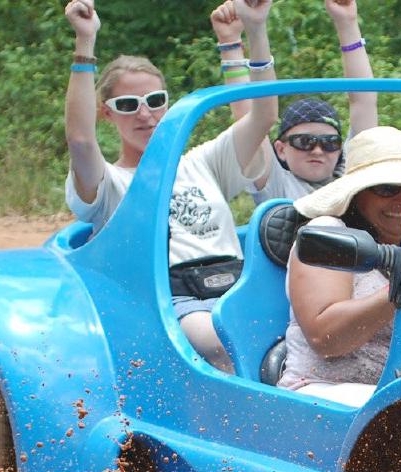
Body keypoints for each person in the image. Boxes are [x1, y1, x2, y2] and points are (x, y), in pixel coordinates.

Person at [63, 0, 279, 373]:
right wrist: (85, 42)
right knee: (227, 340)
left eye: (155, 101)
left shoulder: (201, 162)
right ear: (106, 112)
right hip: (175, 300)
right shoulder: (111, 184)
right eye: (129, 104)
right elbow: (81, 141)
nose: (145, 114)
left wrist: (254, 31)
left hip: (239, 285)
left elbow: (263, 117)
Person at [277, 126, 401, 406]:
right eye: (387, 188)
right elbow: (327, 339)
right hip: (322, 391)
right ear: (357, 194)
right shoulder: (328, 234)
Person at [211, 0, 379, 203]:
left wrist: (348, 22)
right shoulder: (274, 183)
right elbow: (250, 116)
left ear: (340, 150)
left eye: (330, 143)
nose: (318, 150)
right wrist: (230, 43)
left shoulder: (349, 177)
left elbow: (364, 101)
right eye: (304, 142)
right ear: (281, 149)